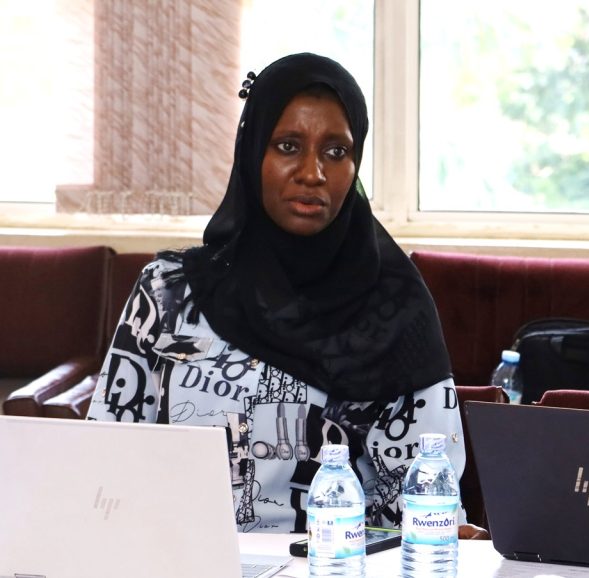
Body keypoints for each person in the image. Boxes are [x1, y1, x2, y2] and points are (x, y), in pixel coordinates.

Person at [87, 53, 470, 535]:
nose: (313, 173)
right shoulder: (168, 292)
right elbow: (103, 456)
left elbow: (425, 501)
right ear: (252, 154)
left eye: (336, 151)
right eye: (288, 145)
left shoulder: (395, 311)